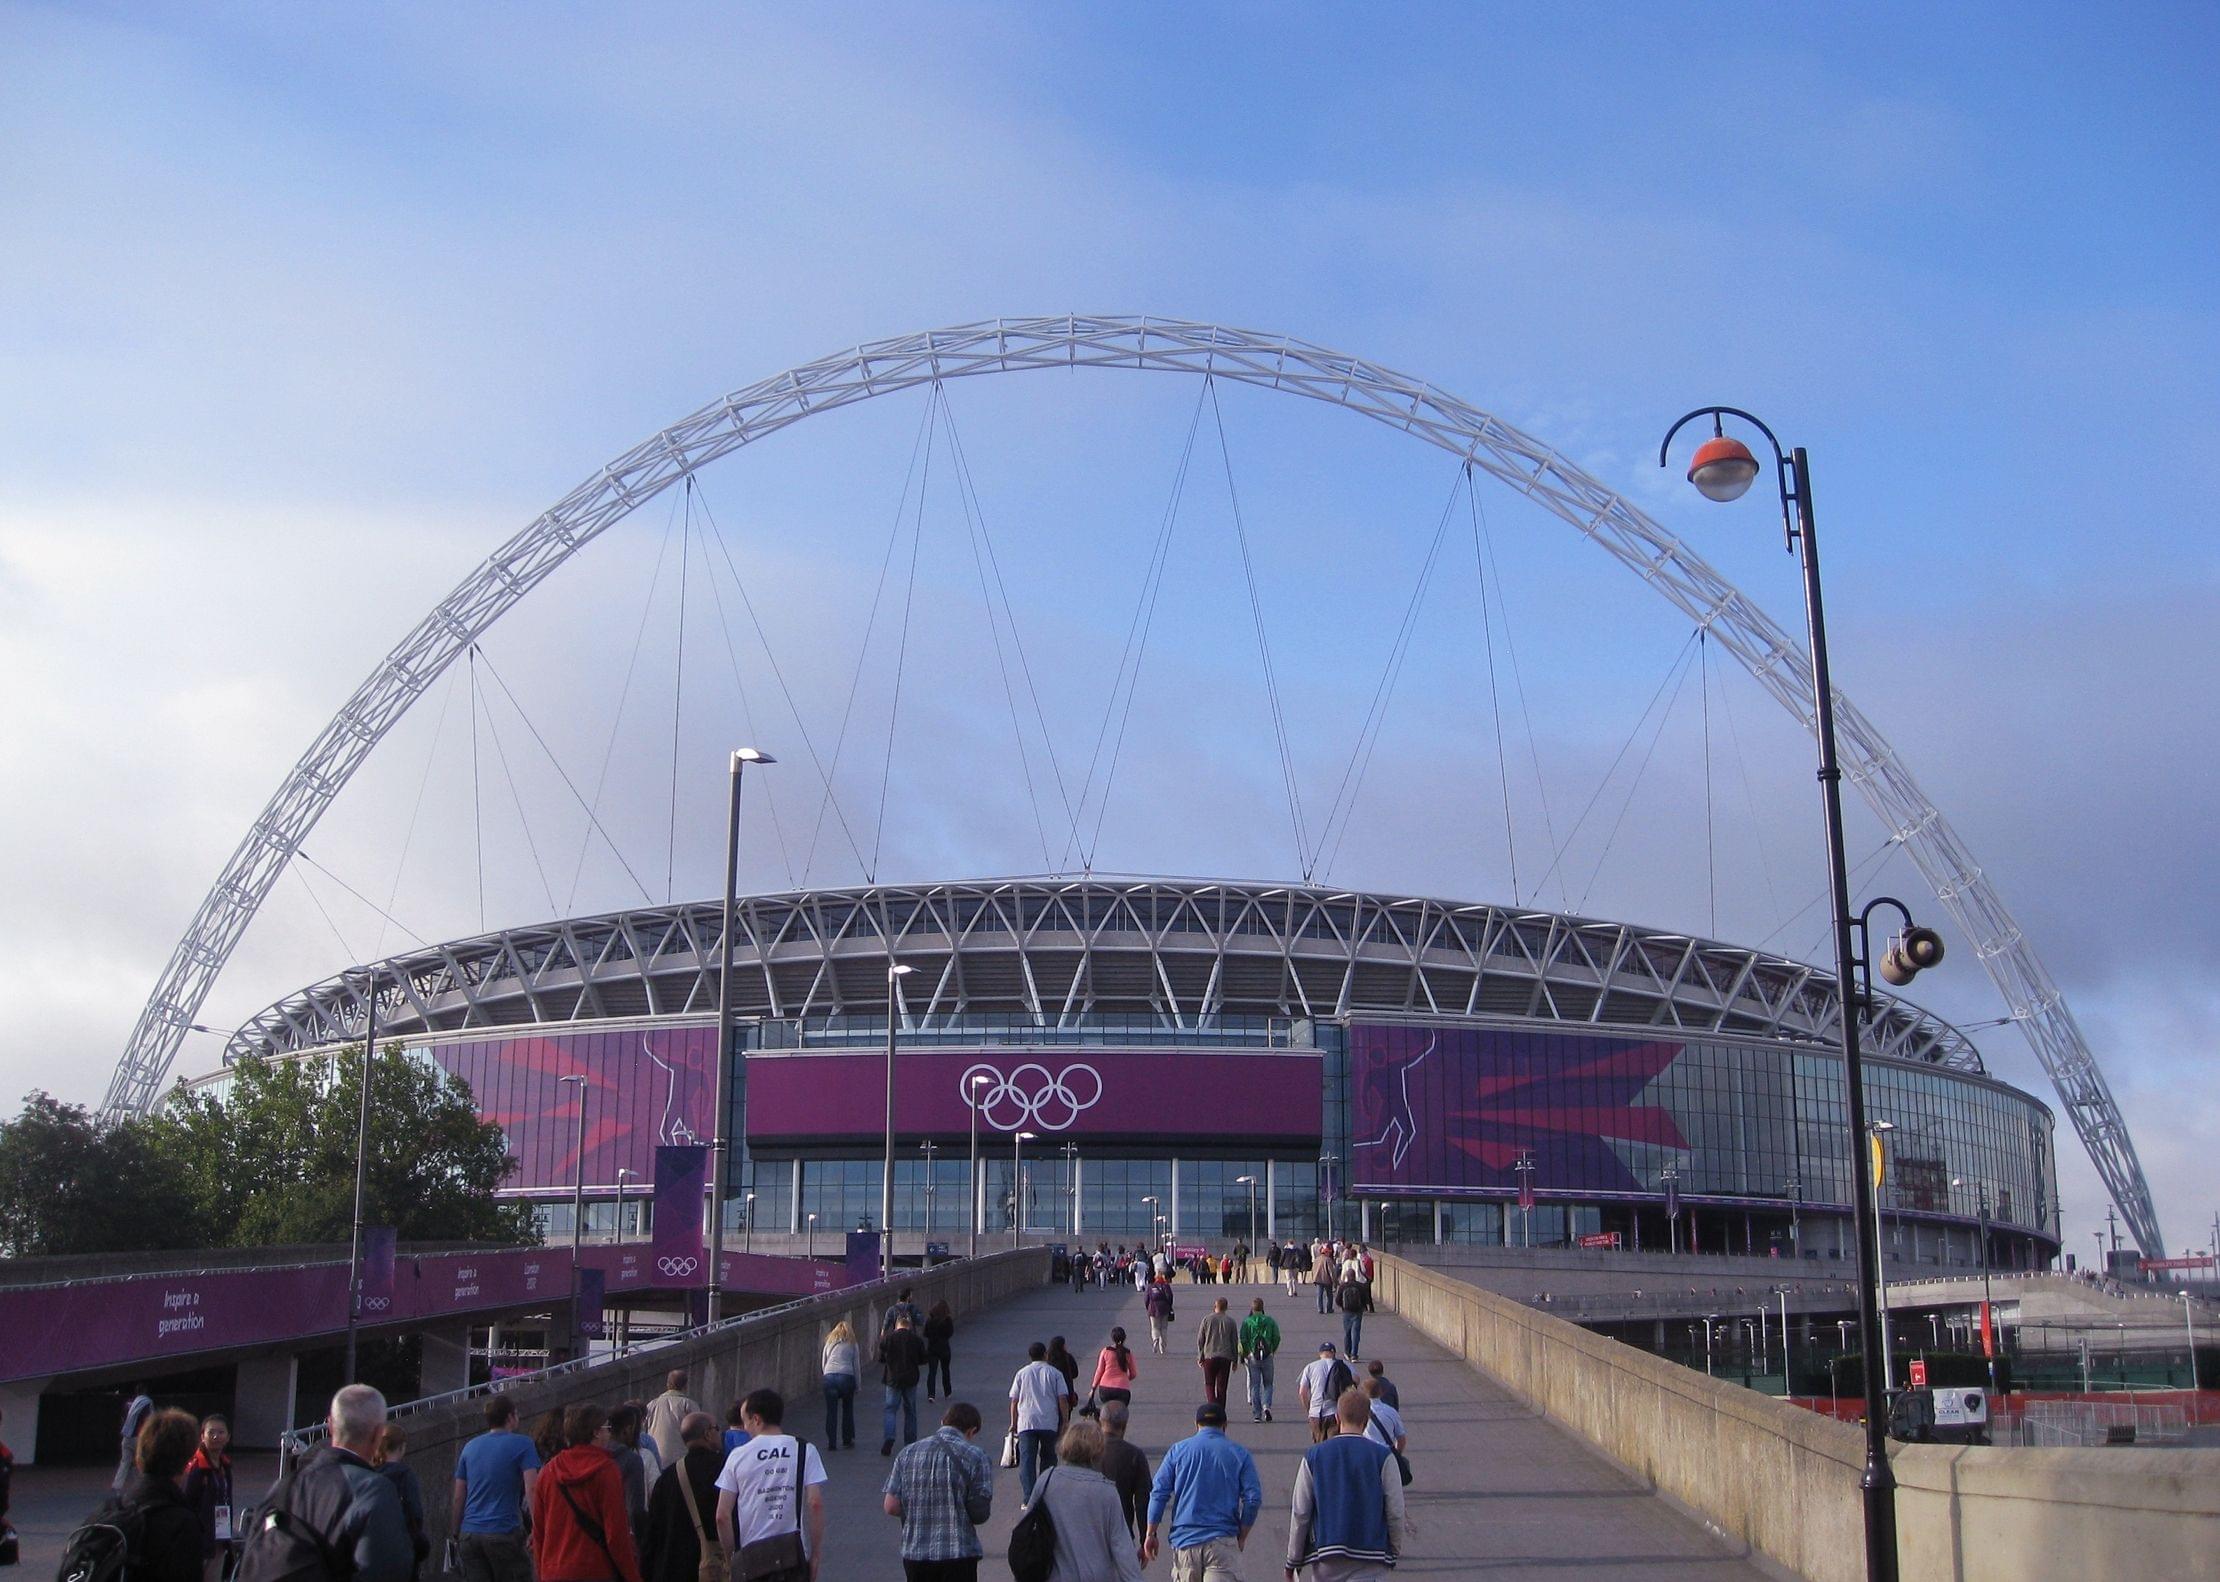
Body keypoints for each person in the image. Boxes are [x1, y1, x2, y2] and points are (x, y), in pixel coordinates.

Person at [250, 1385, 413, 1582]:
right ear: (378, 1433)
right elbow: (385, 1570)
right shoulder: (373, 1490)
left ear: (330, 1425)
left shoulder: (283, 1487)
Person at [1284, 1390, 1410, 1582]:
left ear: (1337, 1417)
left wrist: (1293, 1561)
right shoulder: (1383, 1457)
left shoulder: (1314, 1456)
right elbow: (1395, 1509)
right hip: (1371, 1554)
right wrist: (1393, 1548)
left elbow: (1301, 1512)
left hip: (1328, 1554)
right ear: (1366, 1420)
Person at [713, 1390, 826, 1582]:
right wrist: (815, 1556)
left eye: (745, 1422)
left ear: (756, 1419)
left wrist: (731, 1557)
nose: (744, 1428)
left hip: (751, 1557)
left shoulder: (738, 1456)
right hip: (792, 1555)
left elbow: (722, 1516)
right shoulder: (804, 1449)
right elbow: (815, 1503)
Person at [1142, 1402, 1262, 1581]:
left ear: (1196, 1425)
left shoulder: (1178, 1451)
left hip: (1185, 1542)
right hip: (1222, 1541)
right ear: (1225, 1425)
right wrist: (1242, 1535)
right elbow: (1253, 1498)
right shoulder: (1239, 1453)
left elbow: (1159, 1493)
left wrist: (1151, 1533)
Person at [881, 1400, 994, 1582]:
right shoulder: (976, 1456)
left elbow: (891, 1506)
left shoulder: (907, 1453)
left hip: (915, 1553)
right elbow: (979, 1514)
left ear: (943, 1422)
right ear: (971, 1431)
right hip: (958, 1553)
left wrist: (919, 1509)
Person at [530, 1404, 640, 1582]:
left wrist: (542, 1573)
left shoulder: (548, 1471)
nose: (609, 1434)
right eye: (607, 1428)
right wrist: (633, 1576)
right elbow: (616, 1534)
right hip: (595, 1569)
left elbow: (539, 1531)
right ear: (596, 1432)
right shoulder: (606, 1470)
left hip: (554, 1571)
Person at [1024, 1421, 1144, 1582]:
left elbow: (1027, 1527)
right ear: (1098, 1451)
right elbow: (1122, 1548)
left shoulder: (1047, 1480)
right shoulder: (1106, 1492)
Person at [452, 1395, 540, 1582]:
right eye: (517, 1414)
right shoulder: (523, 1444)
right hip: (503, 1531)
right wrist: (537, 1527)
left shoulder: (470, 1447)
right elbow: (532, 1489)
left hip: (470, 1534)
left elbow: (459, 1496)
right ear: (510, 1417)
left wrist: (455, 1531)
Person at [639, 1413, 721, 1582]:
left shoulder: (667, 1478)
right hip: (716, 1566)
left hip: (673, 1566)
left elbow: (653, 1530)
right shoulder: (725, 1468)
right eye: (717, 1429)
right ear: (707, 1434)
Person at [1008, 1340, 1070, 1503]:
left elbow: (1014, 1401)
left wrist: (1013, 1422)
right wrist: (1065, 1421)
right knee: (1049, 1457)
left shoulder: (1021, 1373)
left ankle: (1029, 1497)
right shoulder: (1054, 1373)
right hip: (1048, 1421)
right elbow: (1062, 1398)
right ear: (1045, 1354)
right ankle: (1045, 1494)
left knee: (1027, 1461)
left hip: (1026, 1422)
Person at [372, 1425, 430, 1582]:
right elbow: (415, 1515)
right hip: (401, 1550)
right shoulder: (405, 1474)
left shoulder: (370, 1472)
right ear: (402, 1447)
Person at [182, 1414, 235, 1582]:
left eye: (221, 1432)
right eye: (211, 1432)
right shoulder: (196, 1467)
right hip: (199, 1540)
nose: (216, 1436)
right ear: (202, 1436)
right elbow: (186, 1502)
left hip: (220, 1537)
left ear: (228, 1437)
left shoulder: (225, 1465)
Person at [1094, 1401, 1152, 1544]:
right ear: (1124, 1425)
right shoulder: (1134, 1455)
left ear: (1100, 1421)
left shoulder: (1086, 1452)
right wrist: (1146, 1538)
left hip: (1087, 1533)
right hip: (1121, 1533)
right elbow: (1143, 1501)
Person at [880, 1309, 930, 1455]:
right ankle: (910, 1443)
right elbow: (923, 1359)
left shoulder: (888, 1338)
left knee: (890, 1409)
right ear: (909, 1325)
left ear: (896, 1325)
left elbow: (882, 1358)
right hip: (910, 1378)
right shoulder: (916, 1340)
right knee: (910, 1410)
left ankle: (889, 1437)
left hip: (892, 1379)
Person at [606, 1405, 651, 1547]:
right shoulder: (631, 1460)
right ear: (629, 1429)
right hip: (623, 1538)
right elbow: (635, 1510)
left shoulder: (595, 1455)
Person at [644, 1371, 702, 1473]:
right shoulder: (689, 1405)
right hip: (681, 1461)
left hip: (656, 1459)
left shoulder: (652, 1404)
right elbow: (699, 1430)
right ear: (685, 1386)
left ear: (667, 1384)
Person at [1297, 1344, 1355, 1445]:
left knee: (1319, 1448)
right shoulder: (1343, 1365)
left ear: (1320, 1354)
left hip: (1316, 1413)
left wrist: (1309, 1409)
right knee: (1334, 1447)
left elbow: (1302, 1392)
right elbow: (1356, 1380)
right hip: (1335, 1412)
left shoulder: (1310, 1367)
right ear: (1333, 1353)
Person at [1240, 1298, 1282, 1425]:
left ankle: (1257, 1414)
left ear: (1252, 1308)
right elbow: (1277, 1337)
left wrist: (1246, 1353)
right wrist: (1272, 1350)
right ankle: (1266, 1406)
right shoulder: (1270, 1321)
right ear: (1263, 1307)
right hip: (1267, 1355)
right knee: (1268, 1384)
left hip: (1253, 1356)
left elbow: (1243, 1338)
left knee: (1255, 1385)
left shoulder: (1247, 1322)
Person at [820, 1320, 860, 1450]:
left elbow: (824, 1362)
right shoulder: (853, 1344)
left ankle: (831, 1442)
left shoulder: (829, 1342)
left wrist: (826, 1376)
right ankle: (847, 1439)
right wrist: (858, 1385)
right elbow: (856, 1366)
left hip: (829, 1377)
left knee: (831, 1412)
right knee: (847, 1409)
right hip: (846, 1377)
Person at [1195, 1298, 1239, 1410]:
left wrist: (1200, 1356)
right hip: (1225, 1357)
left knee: (1209, 1384)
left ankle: (1212, 1406)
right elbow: (1234, 1341)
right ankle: (1220, 1412)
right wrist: (1235, 1360)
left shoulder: (1206, 1319)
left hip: (1209, 1356)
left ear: (1215, 1306)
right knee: (1222, 1387)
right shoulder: (1231, 1321)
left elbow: (1200, 1339)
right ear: (1226, 1307)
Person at [1090, 1327, 1139, 1411]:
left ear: (1112, 1338)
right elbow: (1133, 1373)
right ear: (1124, 1337)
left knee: (1107, 1412)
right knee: (1121, 1415)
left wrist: (1093, 1388)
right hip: (1122, 1390)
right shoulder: (1128, 1353)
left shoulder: (1105, 1351)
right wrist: (1125, 1379)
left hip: (1105, 1389)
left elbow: (1099, 1371)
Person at [116, 1388, 155, 1491]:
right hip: (137, 1437)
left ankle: (117, 1485)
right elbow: (149, 1419)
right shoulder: (146, 1402)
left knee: (125, 1462)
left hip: (126, 1437)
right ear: (145, 1392)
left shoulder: (129, 1404)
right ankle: (142, 1484)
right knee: (140, 1461)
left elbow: (123, 1419)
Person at [1357, 1380, 1405, 1456]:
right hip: (1387, 1453)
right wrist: (1397, 1455)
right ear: (1380, 1392)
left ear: (1363, 1393)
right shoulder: (1391, 1411)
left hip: (1367, 1453)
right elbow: (1401, 1439)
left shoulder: (1359, 1411)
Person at [923, 1301, 956, 1401]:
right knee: (945, 1370)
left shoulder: (930, 1320)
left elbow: (925, 1333)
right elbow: (950, 1333)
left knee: (932, 1372)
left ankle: (931, 1394)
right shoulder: (947, 1320)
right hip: (944, 1348)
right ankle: (947, 1392)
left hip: (932, 1349)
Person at [1336, 1274, 1366, 1362]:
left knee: (1347, 1332)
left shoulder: (1343, 1286)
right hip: (1357, 1312)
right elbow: (1365, 1299)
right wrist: (1362, 1307)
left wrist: (1343, 1307)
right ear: (1355, 1276)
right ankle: (1354, 1355)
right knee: (1356, 1333)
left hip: (1347, 1312)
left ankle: (1347, 1352)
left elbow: (1338, 1300)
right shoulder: (1360, 1286)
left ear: (1347, 1277)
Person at [1145, 1279, 1176, 1356]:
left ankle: (1155, 1339)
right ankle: (1162, 1348)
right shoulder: (1165, 1286)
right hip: (1164, 1308)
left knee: (1154, 1327)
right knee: (1164, 1328)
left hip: (1153, 1309)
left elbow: (1146, 1299)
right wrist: (1169, 1306)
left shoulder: (1150, 1286)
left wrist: (1148, 1308)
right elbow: (1170, 1297)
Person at [1312, 1246, 1337, 1315]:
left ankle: (1320, 1309)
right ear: (1326, 1253)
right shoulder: (1328, 1260)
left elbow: (1313, 1270)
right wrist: (1335, 1282)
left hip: (1318, 1279)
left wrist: (1313, 1279)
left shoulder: (1316, 1260)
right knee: (1329, 1295)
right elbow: (1331, 1272)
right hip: (1327, 1280)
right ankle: (1329, 1308)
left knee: (1319, 1295)